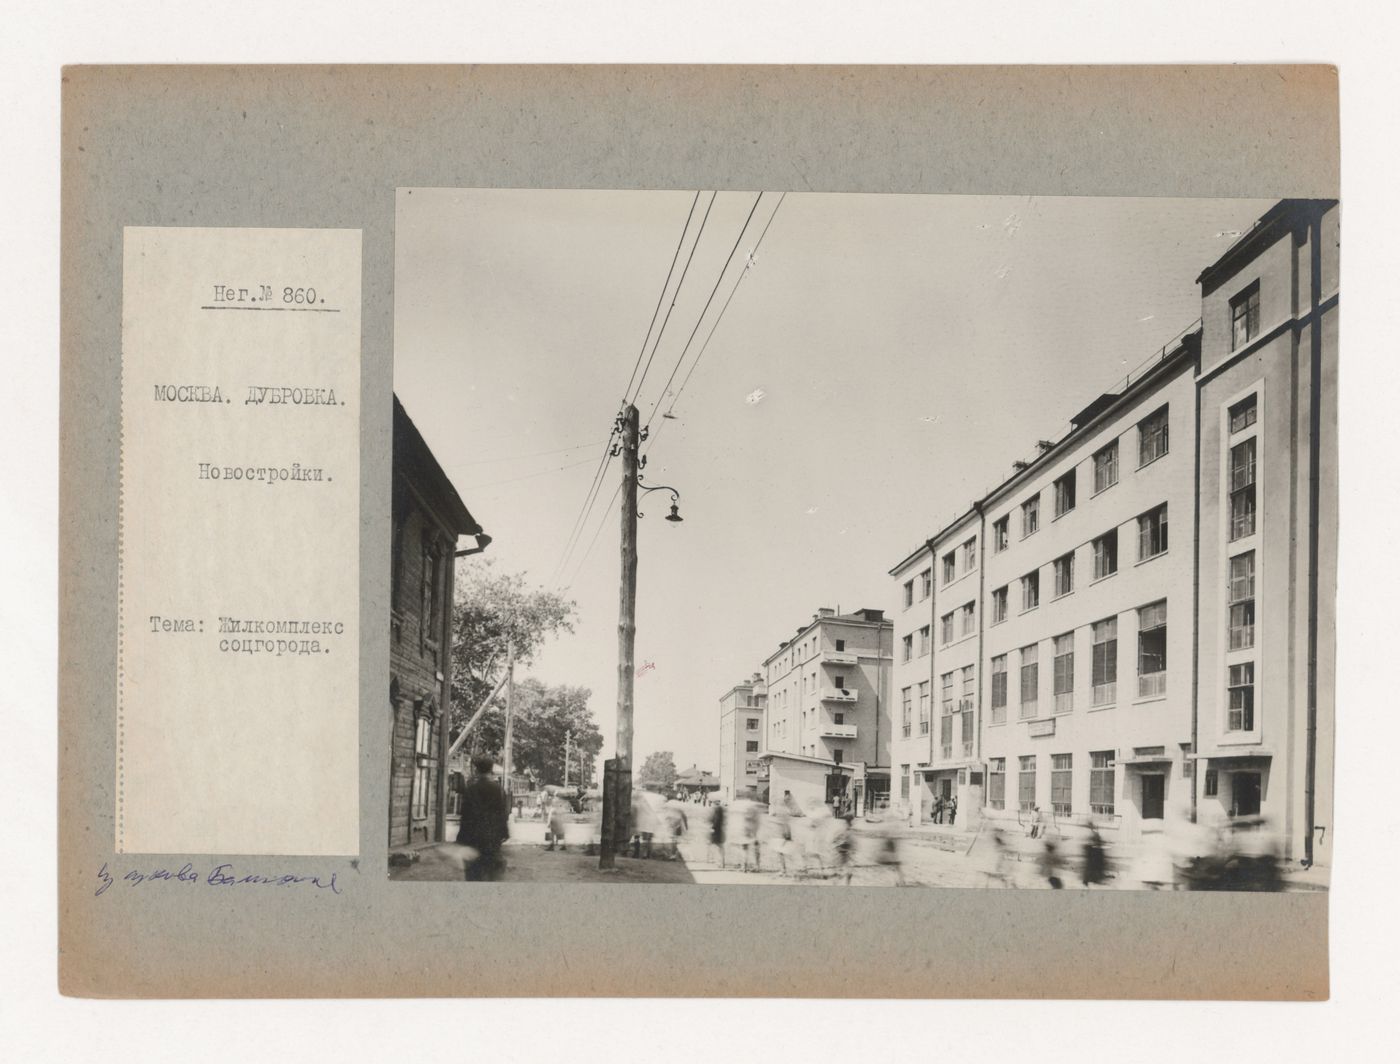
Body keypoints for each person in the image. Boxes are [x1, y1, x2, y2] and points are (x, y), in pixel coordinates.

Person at [456, 756, 510, 881]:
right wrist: (504, 832)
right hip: (491, 838)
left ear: (477, 770)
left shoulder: (471, 789)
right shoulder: (498, 789)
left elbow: (465, 815)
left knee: (473, 874)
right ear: (491, 770)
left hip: (473, 837)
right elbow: (502, 813)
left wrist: (461, 837)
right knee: (491, 874)